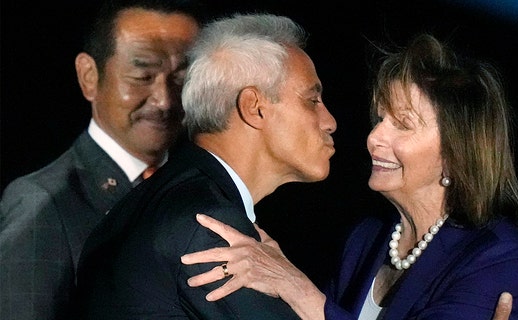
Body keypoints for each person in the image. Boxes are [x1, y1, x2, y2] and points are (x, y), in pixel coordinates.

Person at [180, 33, 518, 319]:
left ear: (455, 153)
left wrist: (295, 286)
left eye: (403, 124)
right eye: (380, 119)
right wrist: (279, 277)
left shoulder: (499, 259)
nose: (374, 138)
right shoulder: (367, 238)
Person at [74, 13, 336, 319]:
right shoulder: (211, 227)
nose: (330, 122)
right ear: (254, 107)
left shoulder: (149, 205)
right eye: (312, 100)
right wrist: (301, 291)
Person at [0, 1, 203, 319]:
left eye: (181, 79)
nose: (165, 100)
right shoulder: (45, 204)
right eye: (142, 75)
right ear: (89, 76)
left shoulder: (199, 191)